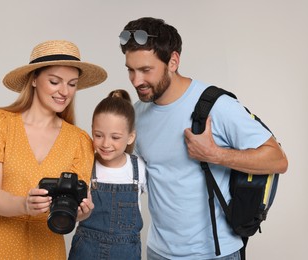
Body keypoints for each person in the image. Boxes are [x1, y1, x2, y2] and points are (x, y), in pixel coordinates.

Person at [118, 17, 288, 260]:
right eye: (130, 70)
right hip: (158, 252)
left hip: (215, 254)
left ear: (173, 61)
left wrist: (213, 154)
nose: (136, 81)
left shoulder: (217, 106)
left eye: (146, 70)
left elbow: (278, 159)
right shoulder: (136, 115)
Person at [0, 40, 107, 260]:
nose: (64, 92)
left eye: (72, 84)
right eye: (55, 81)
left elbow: (73, 203)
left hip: (46, 247)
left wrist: (80, 213)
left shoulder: (79, 140)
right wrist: (24, 205)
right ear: (34, 80)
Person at [68, 89, 147, 260]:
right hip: (86, 250)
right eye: (98, 135)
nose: (105, 144)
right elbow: (71, 212)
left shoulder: (138, 168)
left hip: (126, 253)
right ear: (92, 130)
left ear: (130, 137)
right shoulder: (86, 164)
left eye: (115, 137)